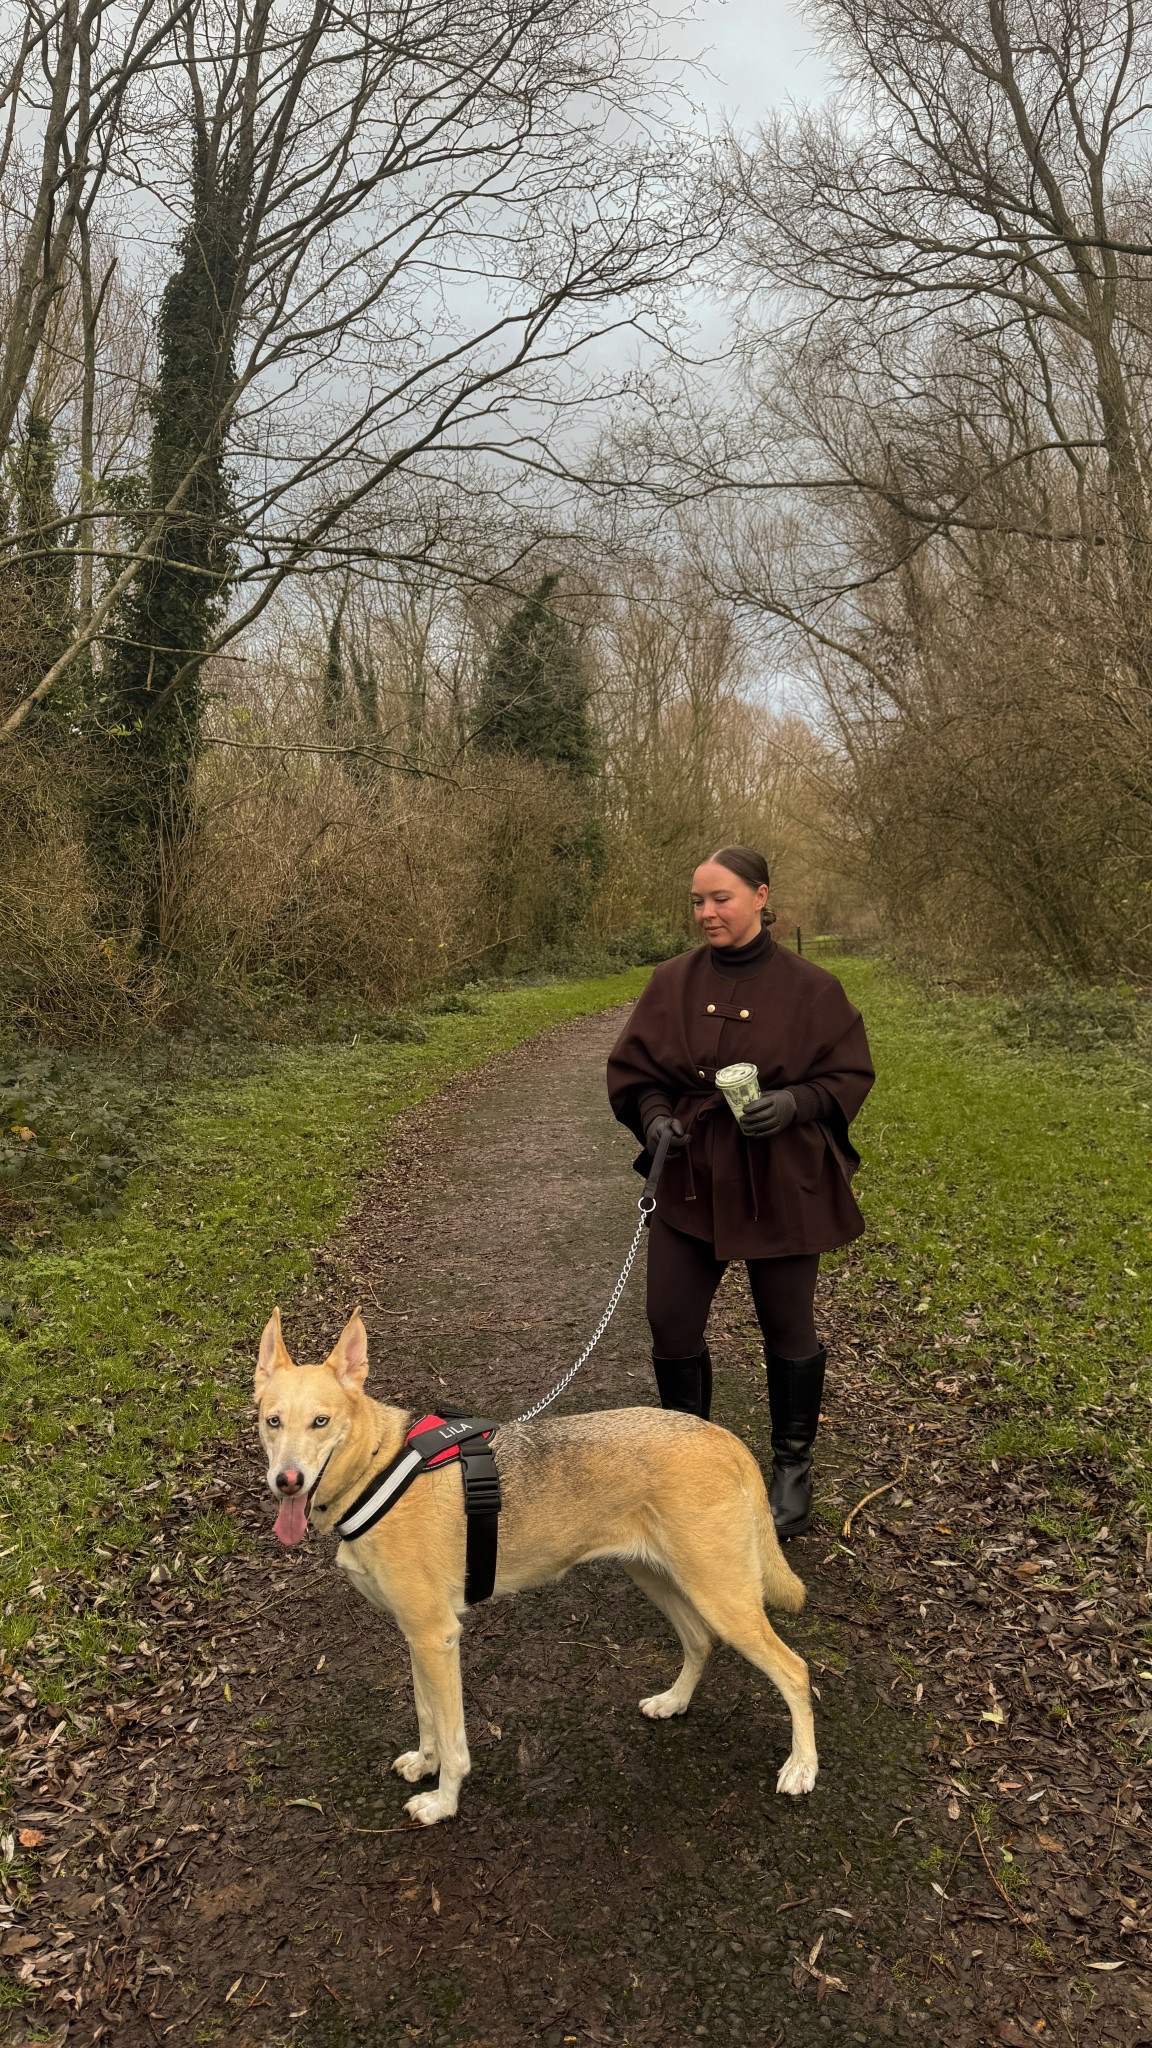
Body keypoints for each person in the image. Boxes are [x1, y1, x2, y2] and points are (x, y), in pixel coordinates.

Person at [606, 847, 874, 1537]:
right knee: (669, 1320)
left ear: (760, 896)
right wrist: (655, 1116)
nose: (706, 913)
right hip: (691, 1175)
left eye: (720, 898)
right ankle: (687, 1465)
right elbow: (638, 1073)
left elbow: (848, 1075)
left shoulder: (814, 988)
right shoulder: (671, 981)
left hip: (782, 1177)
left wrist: (797, 1104)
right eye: (697, 901)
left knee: (787, 1326)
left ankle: (793, 1468)